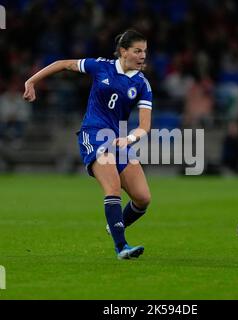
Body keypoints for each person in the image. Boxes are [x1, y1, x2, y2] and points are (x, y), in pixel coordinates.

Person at [23, 29, 152, 260]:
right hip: (93, 134)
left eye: (145, 51)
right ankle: (121, 247)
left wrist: (130, 139)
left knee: (143, 198)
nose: (143, 56)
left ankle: (115, 222)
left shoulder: (143, 84)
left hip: (119, 140)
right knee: (112, 188)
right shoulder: (101, 66)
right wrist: (32, 80)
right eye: (137, 51)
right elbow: (63, 63)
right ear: (123, 51)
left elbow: (144, 126)